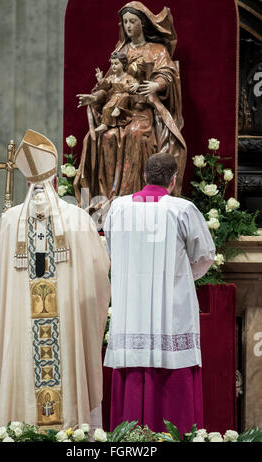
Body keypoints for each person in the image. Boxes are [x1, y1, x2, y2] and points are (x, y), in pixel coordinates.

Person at [0, 129, 110, 430]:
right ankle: (71, 436)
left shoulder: (10, 220)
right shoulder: (78, 219)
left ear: (28, 180)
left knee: (24, 370)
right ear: (56, 176)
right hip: (65, 326)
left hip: (21, 323)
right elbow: (99, 270)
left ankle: (19, 428)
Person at [103, 153, 215, 434]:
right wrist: (181, 276)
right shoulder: (182, 209)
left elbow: (111, 251)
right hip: (170, 309)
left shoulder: (117, 208)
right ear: (174, 180)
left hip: (131, 308)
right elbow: (204, 256)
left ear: (144, 176)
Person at [75, 1, 186, 210]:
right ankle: (110, 201)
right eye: (125, 21)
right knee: (106, 137)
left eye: (132, 21)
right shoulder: (121, 50)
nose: (128, 25)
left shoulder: (157, 49)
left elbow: (168, 73)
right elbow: (109, 84)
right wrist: (94, 97)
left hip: (143, 113)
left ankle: (134, 199)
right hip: (119, 113)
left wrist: (156, 84)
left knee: (135, 134)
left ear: (142, 23)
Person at [94, 52, 138, 133]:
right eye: (112, 63)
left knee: (125, 96)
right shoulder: (112, 77)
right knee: (106, 108)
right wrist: (100, 80)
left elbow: (134, 83)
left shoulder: (128, 77)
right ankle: (105, 125)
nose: (113, 66)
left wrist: (136, 85)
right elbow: (105, 86)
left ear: (123, 65)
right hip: (114, 97)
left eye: (116, 63)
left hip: (125, 97)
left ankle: (118, 109)